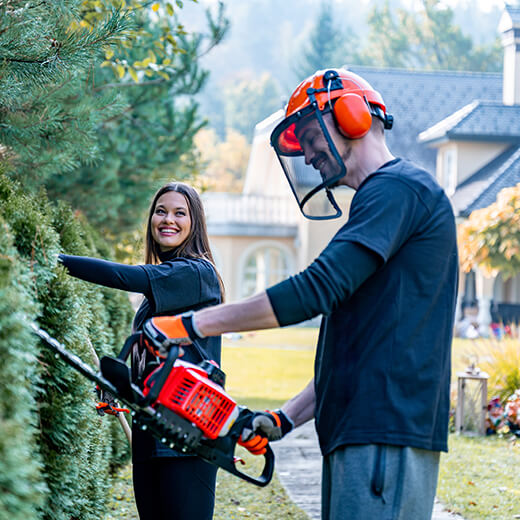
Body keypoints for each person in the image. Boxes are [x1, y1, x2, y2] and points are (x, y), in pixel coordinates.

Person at [141, 68, 459, 520]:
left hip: (383, 434)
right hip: (363, 431)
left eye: (310, 137)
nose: (308, 156)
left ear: (351, 116)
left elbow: (313, 290)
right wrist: (284, 419)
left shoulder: (399, 190)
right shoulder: (379, 203)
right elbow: (356, 351)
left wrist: (188, 324)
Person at [59, 182, 224, 520]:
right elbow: (166, 355)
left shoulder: (197, 272)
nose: (168, 219)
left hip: (187, 436)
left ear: (195, 224)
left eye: (180, 213)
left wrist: (53, 258)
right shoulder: (160, 294)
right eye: (161, 211)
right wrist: (123, 385)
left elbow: (124, 275)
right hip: (151, 436)